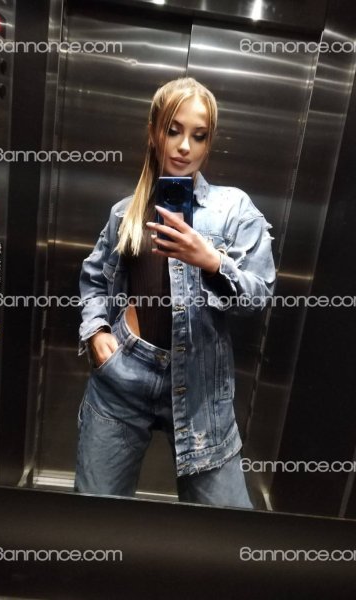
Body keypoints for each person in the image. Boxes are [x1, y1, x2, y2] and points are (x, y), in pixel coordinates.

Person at [74, 77, 276, 508]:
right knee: (94, 517)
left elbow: (259, 296)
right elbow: (94, 278)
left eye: (198, 136)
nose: (185, 146)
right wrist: (96, 332)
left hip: (202, 386)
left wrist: (212, 261)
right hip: (124, 372)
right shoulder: (125, 213)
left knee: (225, 531)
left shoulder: (234, 209)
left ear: (209, 143)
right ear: (154, 132)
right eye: (173, 130)